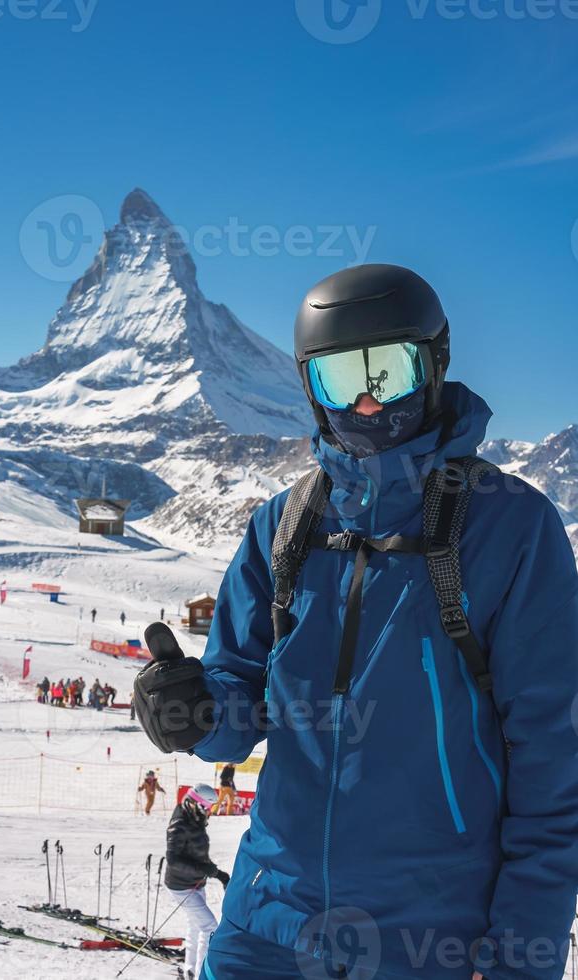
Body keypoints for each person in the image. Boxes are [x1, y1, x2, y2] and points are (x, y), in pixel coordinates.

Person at [134, 264, 578, 980]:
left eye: (387, 372)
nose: (367, 403)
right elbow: (240, 703)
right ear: (309, 386)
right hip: (267, 923)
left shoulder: (510, 527)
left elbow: (553, 759)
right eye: (341, 379)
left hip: (432, 938)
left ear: (432, 365)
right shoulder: (283, 526)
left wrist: (521, 953)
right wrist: (190, 708)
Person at [165, 784, 229, 980]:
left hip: (195, 883)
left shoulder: (194, 818)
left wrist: (218, 873)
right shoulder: (179, 824)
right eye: (207, 808)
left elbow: (197, 853)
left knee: (195, 926)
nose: (209, 812)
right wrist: (207, 870)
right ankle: (202, 973)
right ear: (196, 804)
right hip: (182, 886)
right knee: (210, 927)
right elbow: (173, 860)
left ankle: (190, 971)